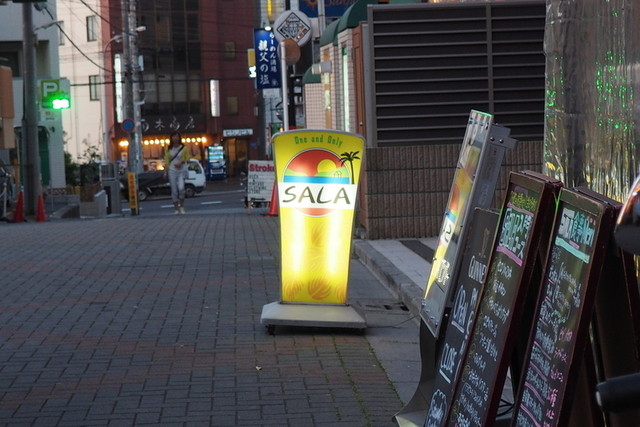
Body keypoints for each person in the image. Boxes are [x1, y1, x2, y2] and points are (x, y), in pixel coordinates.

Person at [163, 131, 190, 214]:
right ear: (171, 138)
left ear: (179, 138)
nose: (175, 138)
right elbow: (166, 161)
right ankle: (176, 208)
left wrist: (181, 162)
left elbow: (188, 159)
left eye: (177, 136)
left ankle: (181, 206)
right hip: (172, 170)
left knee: (181, 189)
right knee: (174, 190)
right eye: (174, 136)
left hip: (181, 170)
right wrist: (165, 172)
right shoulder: (168, 148)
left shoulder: (184, 148)